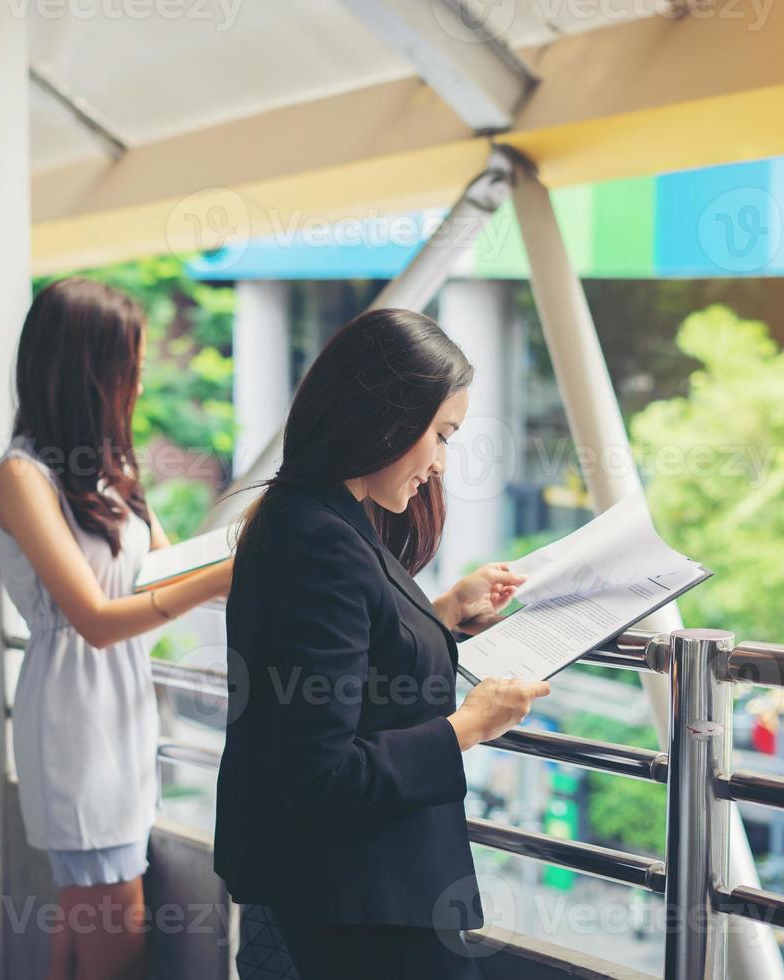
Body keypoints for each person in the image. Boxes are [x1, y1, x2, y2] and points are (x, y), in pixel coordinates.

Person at [215, 308, 552, 980]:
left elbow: (340, 665)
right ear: (383, 418)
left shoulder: (314, 515)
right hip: (361, 906)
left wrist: (444, 613)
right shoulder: (318, 539)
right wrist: (468, 725)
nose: (438, 463)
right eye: (439, 435)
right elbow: (323, 772)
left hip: (353, 894)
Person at [0, 278, 234, 979]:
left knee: (84, 908)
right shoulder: (21, 476)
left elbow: (167, 570)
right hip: (73, 713)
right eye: (131, 358)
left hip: (121, 707)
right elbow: (93, 620)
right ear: (87, 368)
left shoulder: (113, 470)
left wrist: (250, 553)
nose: (142, 374)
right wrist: (218, 578)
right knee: (113, 925)